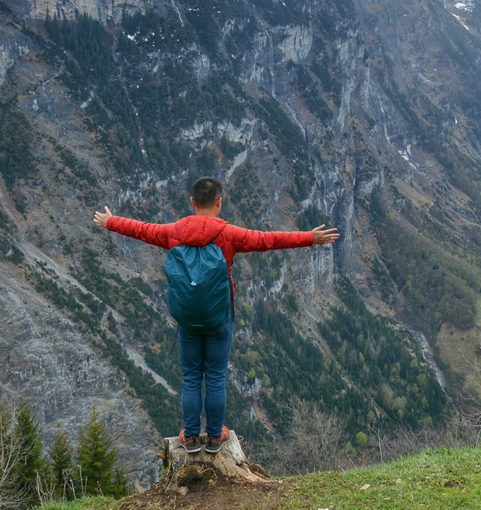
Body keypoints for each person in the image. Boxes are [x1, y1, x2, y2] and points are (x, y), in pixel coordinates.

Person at [94, 177, 339, 454]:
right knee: (215, 376)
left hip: (187, 317)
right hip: (219, 316)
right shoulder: (228, 234)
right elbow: (269, 240)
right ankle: (213, 437)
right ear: (219, 203)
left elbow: (140, 229)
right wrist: (310, 237)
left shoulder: (173, 232)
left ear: (192, 203)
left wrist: (110, 221)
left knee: (190, 376)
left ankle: (189, 438)